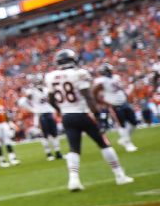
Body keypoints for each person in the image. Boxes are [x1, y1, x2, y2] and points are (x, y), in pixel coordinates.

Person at [44, 50, 133, 191]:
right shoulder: (79, 73)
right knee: (104, 143)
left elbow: (50, 99)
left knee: (74, 149)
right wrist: (98, 115)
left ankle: (73, 180)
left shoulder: (50, 76)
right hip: (83, 113)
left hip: (67, 116)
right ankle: (120, 175)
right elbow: (88, 97)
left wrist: (61, 110)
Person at [93, 63, 140, 152]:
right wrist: (100, 101)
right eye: (108, 71)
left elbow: (120, 89)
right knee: (121, 124)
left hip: (124, 102)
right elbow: (95, 92)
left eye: (110, 70)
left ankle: (124, 139)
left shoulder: (116, 77)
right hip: (114, 105)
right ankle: (128, 144)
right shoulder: (102, 80)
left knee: (134, 122)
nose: (109, 72)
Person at [18, 75, 62, 160]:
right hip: (40, 114)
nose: (38, 83)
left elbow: (52, 100)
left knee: (54, 133)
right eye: (37, 81)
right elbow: (22, 102)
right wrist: (33, 109)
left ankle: (58, 151)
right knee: (44, 134)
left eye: (39, 81)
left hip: (49, 112)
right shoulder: (31, 91)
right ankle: (48, 153)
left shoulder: (46, 89)